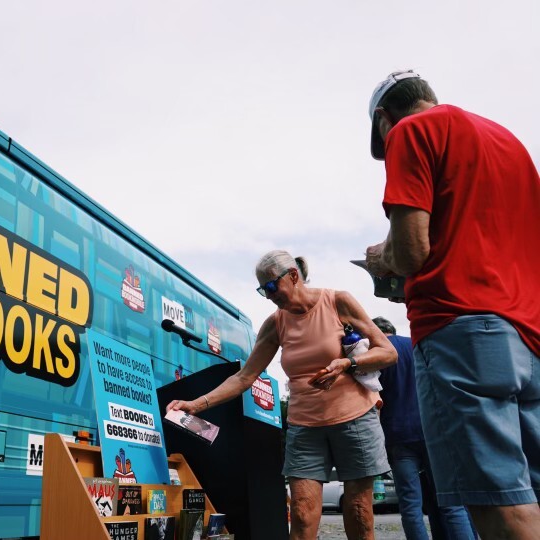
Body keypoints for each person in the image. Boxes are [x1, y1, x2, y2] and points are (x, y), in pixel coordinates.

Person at [364, 70, 540, 539]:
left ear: (384, 118)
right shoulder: (510, 143)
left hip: (460, 330)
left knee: (495, 496)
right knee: (533, 492)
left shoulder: (410, 131)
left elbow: (412, 250)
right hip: (530, 334)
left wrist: (383, 259)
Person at [166, 250, 397, 540]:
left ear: (293, 276)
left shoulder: (337, 301)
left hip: (354, 419)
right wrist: (196, 404)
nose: (269, 296)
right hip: (305, 426)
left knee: (358, 511)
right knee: (301, 512)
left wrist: (347, 363)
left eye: (272, 287)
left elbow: (388, 352)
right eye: (263, 290)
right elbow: (244, 377)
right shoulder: (276, 323)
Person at [373, 316, 476, 540]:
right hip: (433, 429)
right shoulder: (414, 344)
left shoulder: (375, 354)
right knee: (451, 502)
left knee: (411, 505)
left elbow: (374, 399)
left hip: (397, 434)